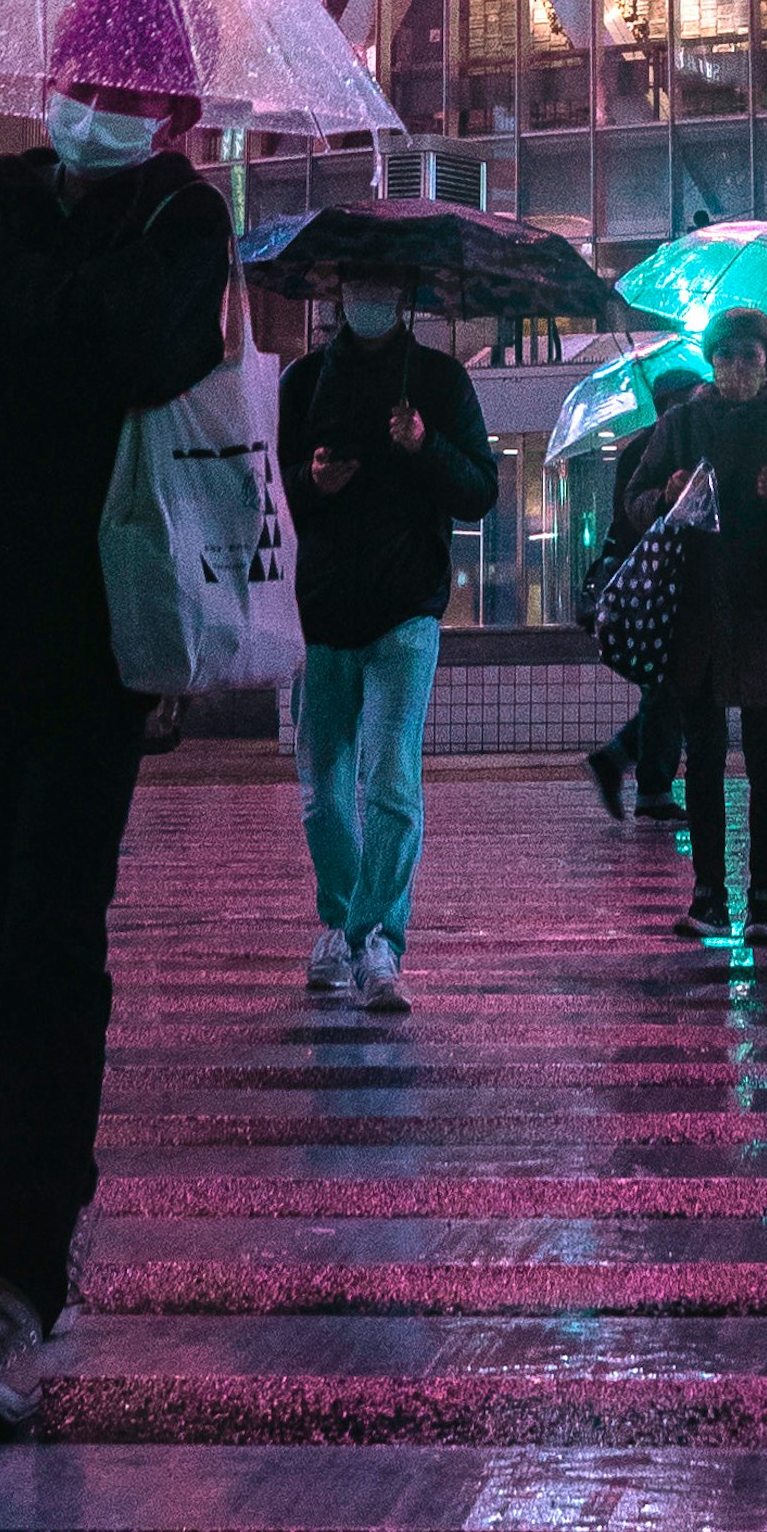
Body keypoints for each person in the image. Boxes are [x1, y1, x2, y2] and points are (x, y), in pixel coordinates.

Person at [0, 0, 233, 1438]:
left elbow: (136, 348)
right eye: (83, 80)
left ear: (170, 115)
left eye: (129, 93)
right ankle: (49, 1172)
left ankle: (12, 1277)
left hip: (95, 642)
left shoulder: (178, 221)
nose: (97, 109)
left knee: (44, 934)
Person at [281, 265, 500, 1007]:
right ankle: (342, 921)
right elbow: (273, 494)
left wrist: (424, 443)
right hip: (317, 614)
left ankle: (376, 939)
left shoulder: (437, 380)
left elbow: (481, 489)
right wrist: (312, 480)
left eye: (374, 285)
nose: (363, 298)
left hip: (406, 610)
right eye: (350, 283)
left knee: (394, 781)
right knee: (323, 794)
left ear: (403, 294)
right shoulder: (304, 380)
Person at [656, 302, 767, 954]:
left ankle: (764, 896)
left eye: (750, 356)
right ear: (711, 360)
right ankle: (709, 894)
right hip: (698, 611)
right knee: (702, 760)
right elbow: (635, 500)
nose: (738, 367)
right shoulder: (682, 425)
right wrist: (666, 492)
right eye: (727, 355)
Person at [584, 365, 701, 832]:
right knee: (667, 682)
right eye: (692, 398)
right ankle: (649, 785)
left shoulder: (675, 449)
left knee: (669, 684)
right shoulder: (646, 452)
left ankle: (620, 762)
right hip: (655, 587)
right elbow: (634, 518)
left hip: (673, 583)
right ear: (670, 404)